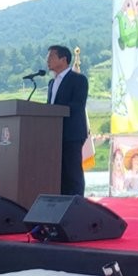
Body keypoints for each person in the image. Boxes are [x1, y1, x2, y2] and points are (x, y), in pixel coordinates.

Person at [47, 45, 89, 196]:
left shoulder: (78, 79)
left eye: (51, 57)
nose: (47, 61)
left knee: (72, 172)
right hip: (55, 134)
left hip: (71, 134)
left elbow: (78, 105)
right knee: (60, 173)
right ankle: (61, 203)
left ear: (63, 59)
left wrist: (54, 109)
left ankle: (77, 204)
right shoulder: (51, 83)